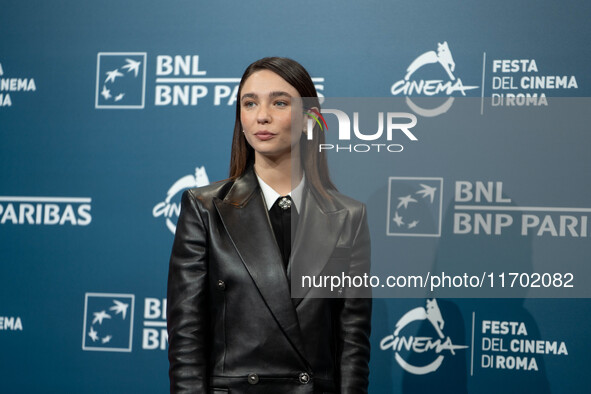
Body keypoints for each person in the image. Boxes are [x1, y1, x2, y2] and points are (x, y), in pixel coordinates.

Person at [167, 57, 372, 394]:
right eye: (250, 103)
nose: (262, 115)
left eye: (279, 102)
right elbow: (186, 338)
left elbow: (352, 346)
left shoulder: (348, 217)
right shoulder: (204, 208)